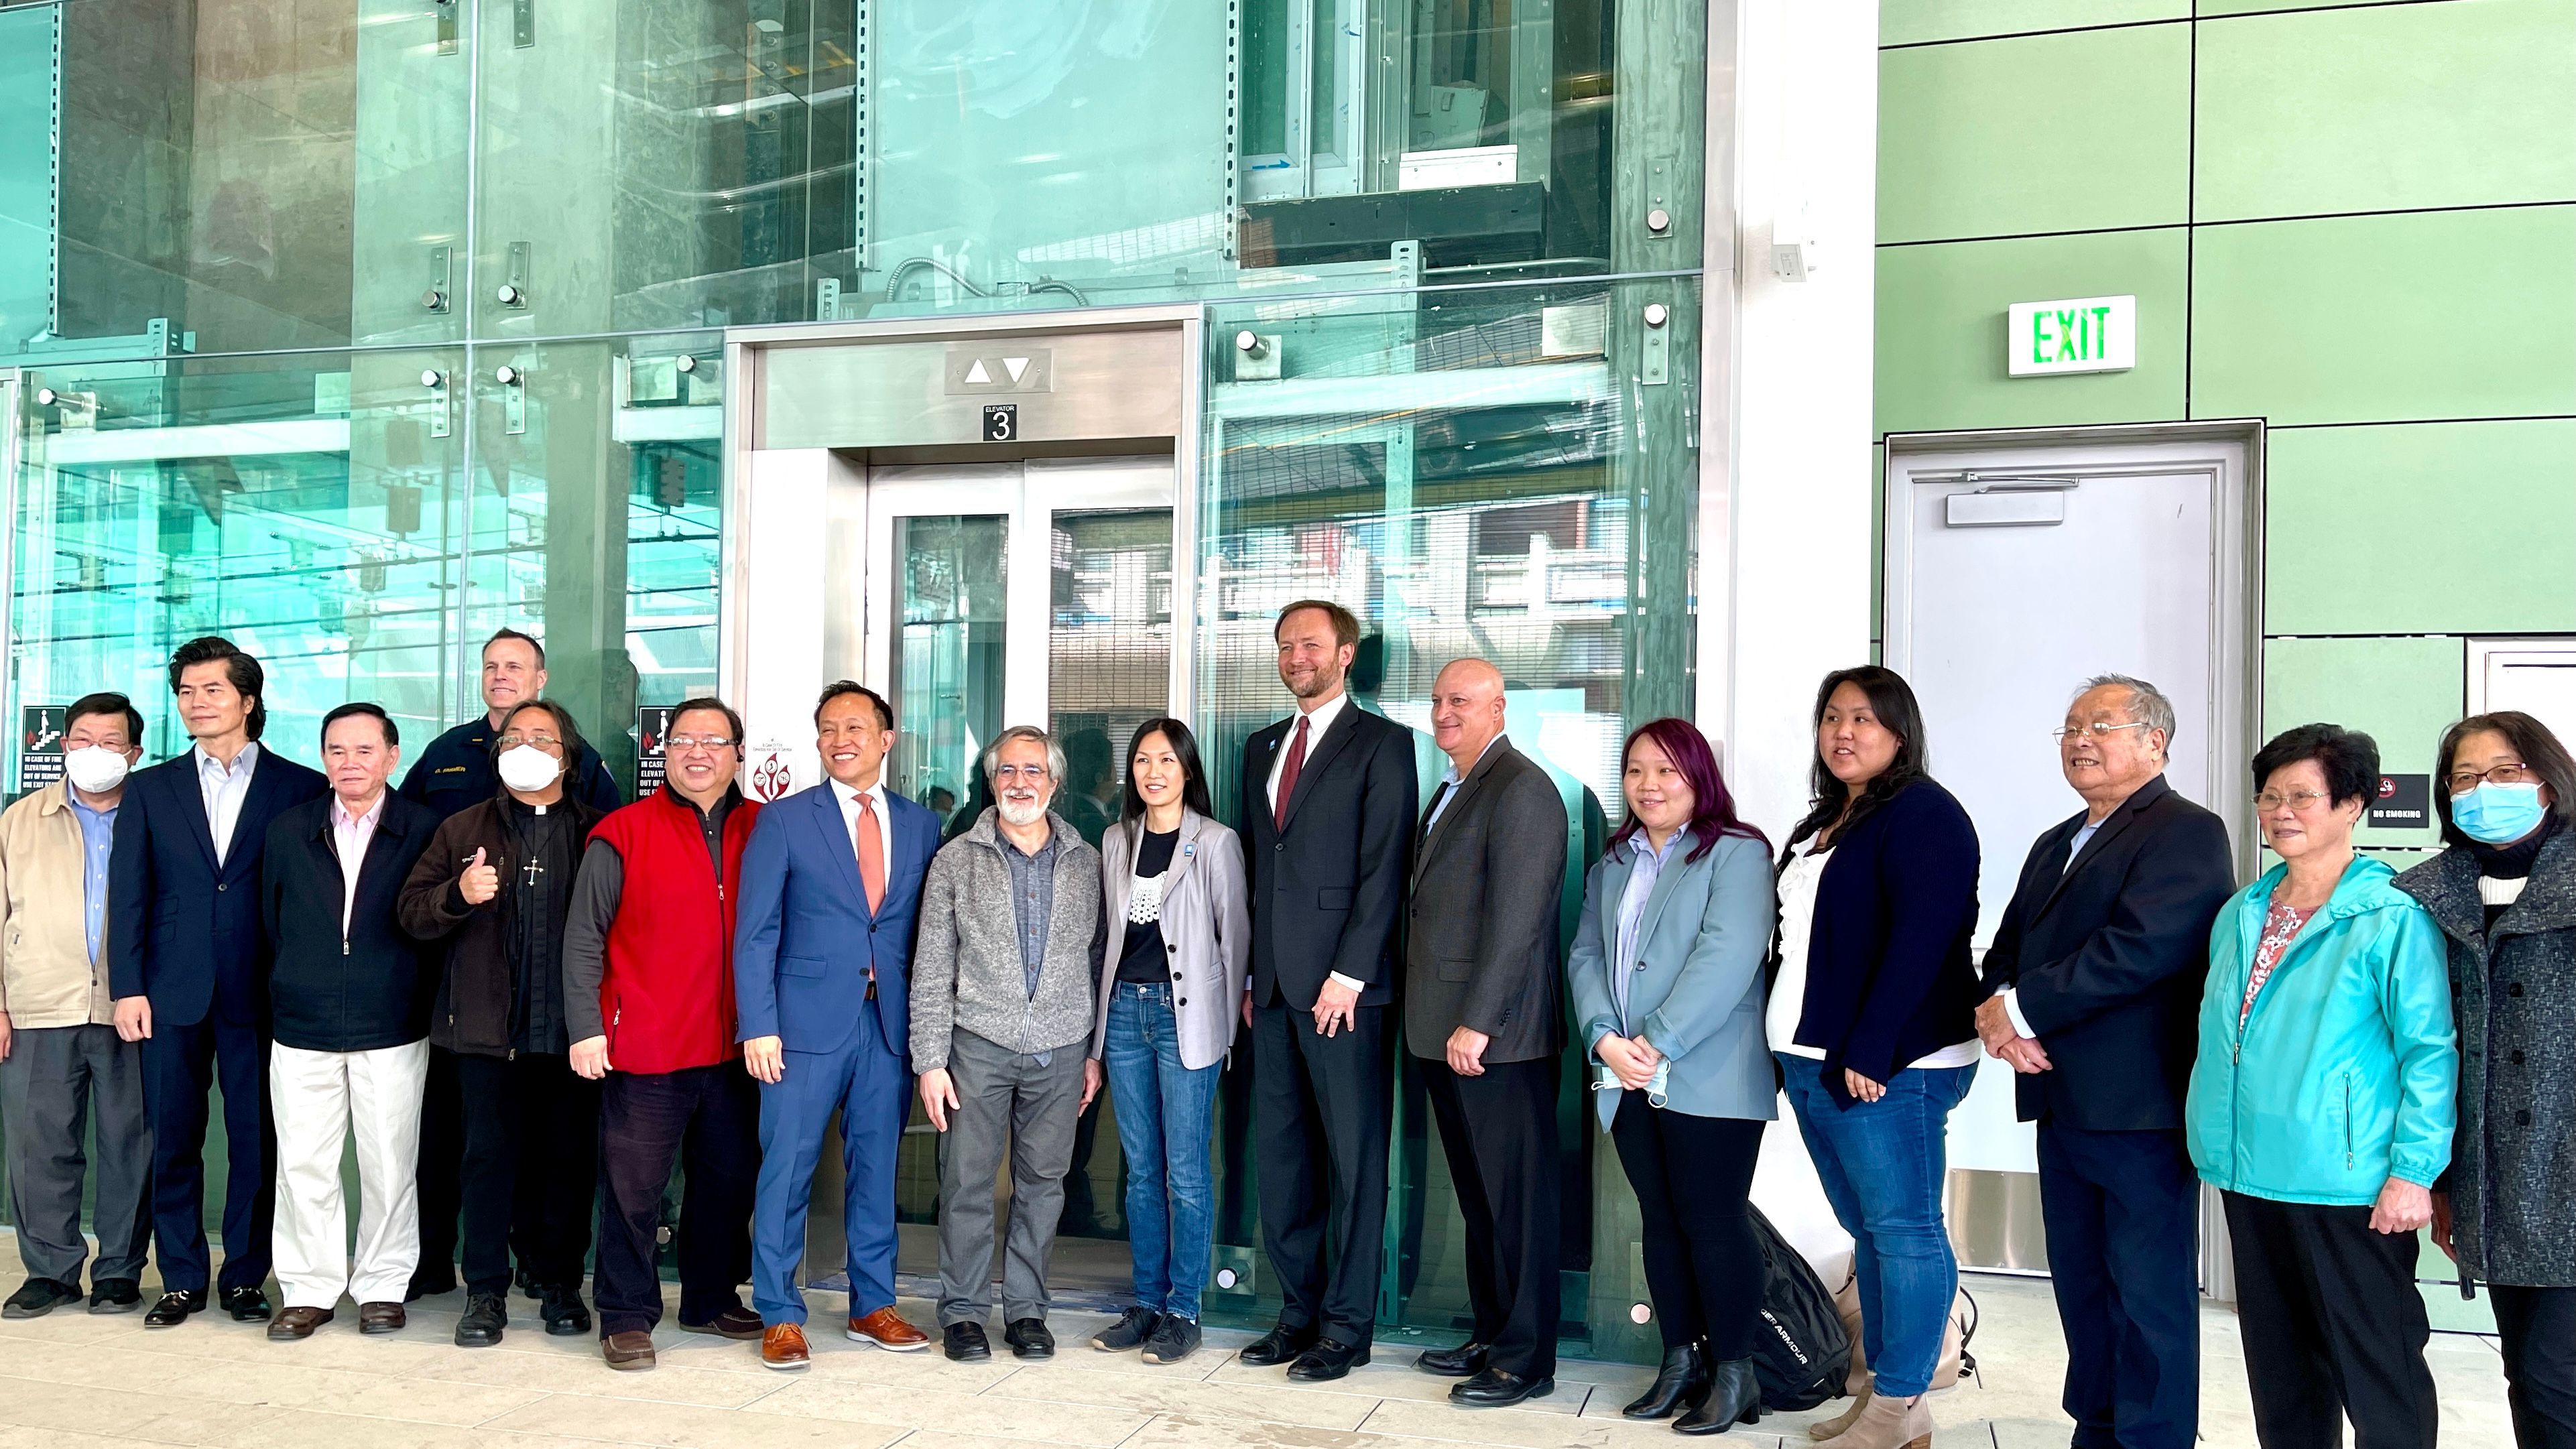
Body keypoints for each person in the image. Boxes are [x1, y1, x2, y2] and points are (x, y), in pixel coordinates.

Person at [1972, 677, 2235, 1449]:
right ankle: (2100, 1427)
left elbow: (2144, 948)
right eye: (2071, 726)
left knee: (2147, 1294)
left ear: (2156, 741)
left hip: (2139, 1107)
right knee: (2084, 1287)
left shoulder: (2187, 830)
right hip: (2060, 1097)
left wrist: (2021, 1009)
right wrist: (2000, 1017)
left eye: (2102, 725)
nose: (2080, 739)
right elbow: (2008, 946)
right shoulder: (2058, 839)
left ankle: (2152, 1438)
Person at [2188, 723, 2455, 1449]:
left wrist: (2414, 1172)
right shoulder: (2242, 911)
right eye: (2270, 795)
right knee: (2282, 1377)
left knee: (2380, 1373)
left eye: (2303, 794)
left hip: (2350, 1185)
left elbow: (2430, 1052)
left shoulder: (2391, 915)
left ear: (2353, 804)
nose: (2282, 810)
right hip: (2251, 1173)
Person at [1770, 666, 1980, 1449]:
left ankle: (1902, 1400)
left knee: (1905, 1230)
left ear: (1899, 730)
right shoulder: (1825, 822)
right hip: (1813, 1057)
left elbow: (1924, 940)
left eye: (1863, 717)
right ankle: (1889, 1402)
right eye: (1831, 717)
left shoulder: (1926, 815)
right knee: (1872, 1230)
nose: (1843, 732)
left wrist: (1877, 1045)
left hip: (1890, 1065)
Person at [109, 636, 328, 1328]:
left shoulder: (299, 787)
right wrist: (127, 985)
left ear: (247, 699)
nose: (196, 702)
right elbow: (130, 893)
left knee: (255, 1138)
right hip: (170, 991)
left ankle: (243, 1275)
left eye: (211, 689)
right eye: (186, 692)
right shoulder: (150, 787)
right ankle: (179, 1276)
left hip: (261, 991)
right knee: (173, 1134)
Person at [1565, 718, 1775, 1434]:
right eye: (1635, 771)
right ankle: (1681, 1360)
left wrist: (1655, 1042)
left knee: (1713, 1222)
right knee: (1660, 1222)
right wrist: (1602, 1038)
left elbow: (1730, 953)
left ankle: (1736, 1372)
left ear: (1699, 778)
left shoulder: (1737, 854)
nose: (1649, 785)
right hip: (1624, 1074)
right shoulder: (1613, 860)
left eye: (1667, 771)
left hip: (1708, 1072)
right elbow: (1586, 954)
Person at [400, 627, 621, 1303]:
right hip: (484, 1030)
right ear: (496, 753)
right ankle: (485, 1291)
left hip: (570, 1029)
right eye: (515, 740)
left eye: (544, 740)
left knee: (565, 1163)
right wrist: (456, 897)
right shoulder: (461, 826)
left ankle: (558, 1285)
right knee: (484, 1161)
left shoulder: (598, 830)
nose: (528, 749)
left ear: (569, 756)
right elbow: (411, 908)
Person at [1236, 600, 1417, 1383]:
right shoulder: (1261, 746)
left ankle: (1347, 1327)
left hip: (1345, 992)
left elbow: (1385, 869)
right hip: (1273, 989)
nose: (1294, 655)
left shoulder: (1384, 743)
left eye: (1310, 643)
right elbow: (1255, 868)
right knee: (1283, 1160)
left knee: (1353, 1162)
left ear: (1345, 654)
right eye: (1284, 645)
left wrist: (1351, 971)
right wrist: (1250, 972)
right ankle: (1297, 1312)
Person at [735, 682, 940, 1371]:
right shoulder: (787, 820)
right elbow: (757, 931)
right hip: (798, 1028)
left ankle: (871, 1303)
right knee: (786, 1169)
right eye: (827, 728)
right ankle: (781, 1311)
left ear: (887, 738)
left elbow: (921, 935)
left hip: (887, 1026)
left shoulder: (921, 824)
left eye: (856, 725)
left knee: (876, 1170)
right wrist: (757, 1024)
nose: (840, 737)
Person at [563, 696, 765, 1370]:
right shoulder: (622, 831)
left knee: (728, 1182)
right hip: (644, 1043)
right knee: (633, 1187)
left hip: (737, 1046)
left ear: (739, 752)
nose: (697, 752)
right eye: (683, 741)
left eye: (713, 740)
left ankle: (710, 1297)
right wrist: (587, 1028)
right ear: (663, 751)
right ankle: (625, 1311)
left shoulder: (766, 828)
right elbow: (584, 938)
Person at [2395, 712, 2576, 1448]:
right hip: (2493, 1178)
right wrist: (2437, 1178)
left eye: (2505, 771)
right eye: (2464, 777)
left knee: (2553, 1372)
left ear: (2548, 777)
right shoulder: (2425, 894)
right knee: (2530, 1371)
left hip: (2566, 1170)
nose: (2483, 789)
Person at [1399, 659, 1567, 1407]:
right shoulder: (1457, 786)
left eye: (1460, 700)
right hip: (1444, 1030)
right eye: (1437, 699)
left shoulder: (1522, 788)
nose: (1444, 711)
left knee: (1517, 1205)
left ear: (1499, 708)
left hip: (1496, 1037)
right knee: (1480, 1198)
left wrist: (1479, 1021)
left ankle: (1527, 1359)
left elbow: (1519, 920)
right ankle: (1493, 1333)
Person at [910, 725, 1105, 1363]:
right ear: (990, 782)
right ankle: (963, 1314)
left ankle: (1027, 1312)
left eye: (1033, 771)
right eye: (1007, 772)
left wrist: (1093, 1052)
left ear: (1054, 782)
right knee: (965, 1182)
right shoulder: (956, 858)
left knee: (1043, 1184)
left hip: (1061, 1048)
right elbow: (932, 965)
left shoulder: (1086, 860)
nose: (1020, 783)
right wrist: (930, 1060)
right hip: (978, 1045)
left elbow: (1098, 959)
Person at [258, 704, 441, 1340]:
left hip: (391, 1020)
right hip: (301, 1022)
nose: (349, 763)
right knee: (304, 1162)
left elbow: (435, 924)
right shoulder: (289, 830)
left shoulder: (423, 828)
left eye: (364, 751)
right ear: (322, 759)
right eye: (337, 751)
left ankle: (383, 1285)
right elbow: (271, 924)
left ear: (392, 757)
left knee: (390, 1163)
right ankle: (309, 1288)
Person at [1086, 717, 1248, 1367]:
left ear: (1188, 770)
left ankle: (1185, 1308)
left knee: (1186, 1170)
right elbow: (1106, 940)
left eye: (1167, 760)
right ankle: (1147, 1301)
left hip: (1188, 1020)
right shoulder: (1114, 841)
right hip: (1125, 1013)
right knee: (1140, 1171)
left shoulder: (1215, 842)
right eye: (1143, 760)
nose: (1154, 771)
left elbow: (1234, 940)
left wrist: (1227, 1032)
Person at [0, 693, 152, 1318]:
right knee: (40, 1145)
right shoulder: (19, 819)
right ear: (63, 745)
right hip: (38, 1004)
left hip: (129, 1006)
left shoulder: (153, 815)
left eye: (110, 742)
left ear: (134, 754)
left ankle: (118, 1270)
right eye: (82, 739)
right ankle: (51, 1270)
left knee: (130, 1143)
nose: (94, 752)